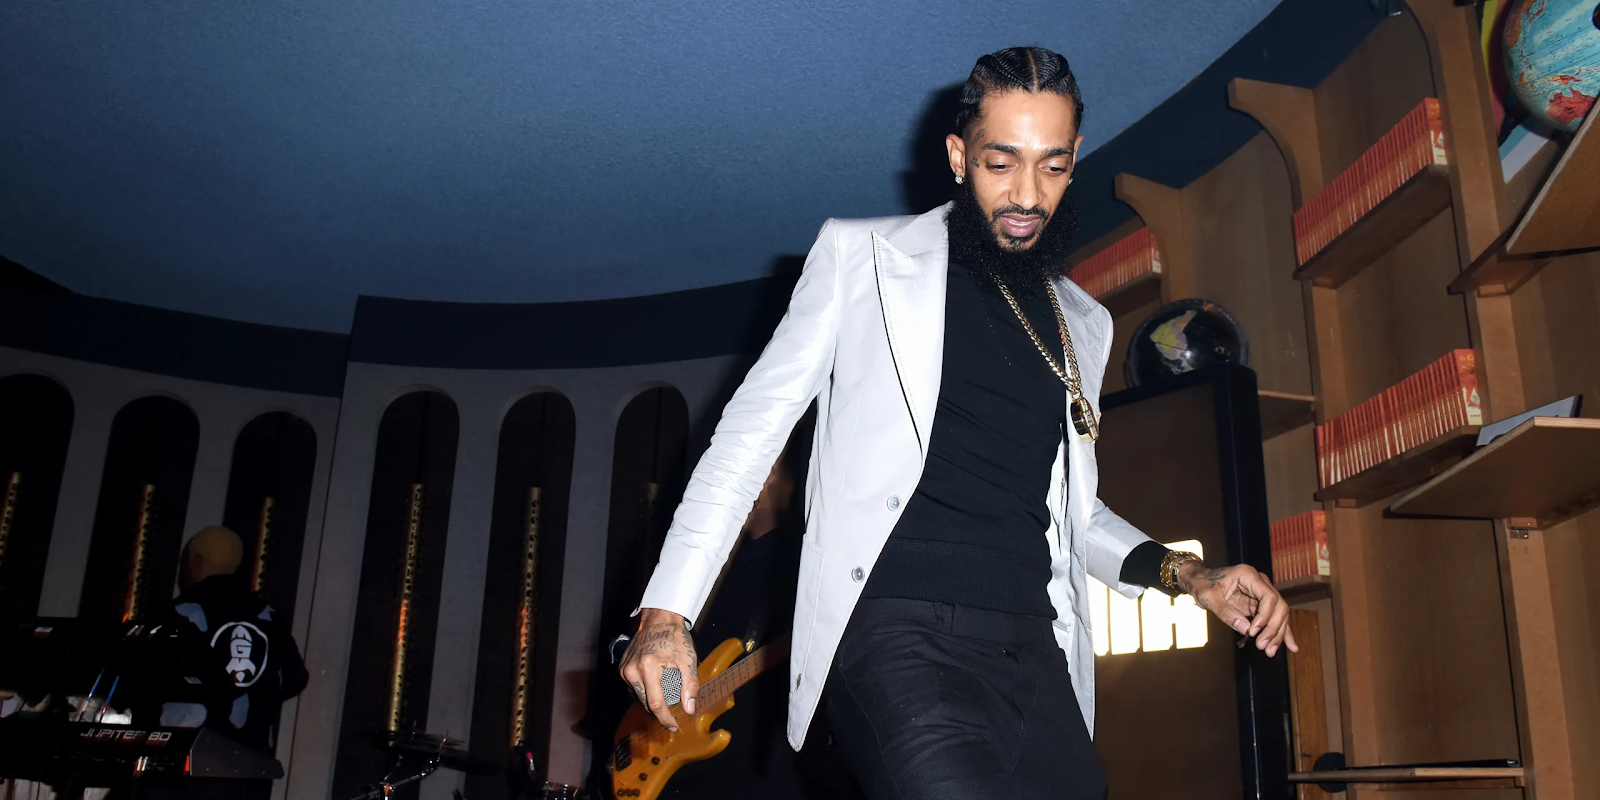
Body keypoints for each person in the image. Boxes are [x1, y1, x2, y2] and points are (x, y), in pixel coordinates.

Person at [619, 46, 1297, 799]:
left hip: (1036, 651)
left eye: (1053, 166)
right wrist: (666, 610)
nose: (1027, 194)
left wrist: (1192, 576)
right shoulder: (862, 259)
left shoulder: (1084, 323)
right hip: (896, 632)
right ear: (957, 155)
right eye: (1000, 163)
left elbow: (1073, 514)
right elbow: (748, 439)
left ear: (1075, 159)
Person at [135, 525, 308, 799]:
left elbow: (139, 676)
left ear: (197, 561)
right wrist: (255, 694)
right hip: (247, 768)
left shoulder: (180, 612)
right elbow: (295, 678)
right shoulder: (268, 616)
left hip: (180, 766)